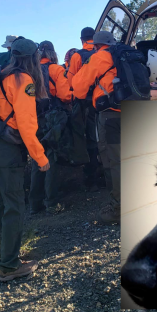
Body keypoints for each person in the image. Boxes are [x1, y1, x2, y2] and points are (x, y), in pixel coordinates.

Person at [0, 38, 49, 281]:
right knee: (14, 205)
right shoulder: (23, 80)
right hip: (7, 150)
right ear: (33, 58)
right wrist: (40, 157)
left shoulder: (1, 75)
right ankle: (9, 266)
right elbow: (26, 125)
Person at [71, 31, 121, 225]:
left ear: (97, 45)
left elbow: (79, 86)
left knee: (114, 160)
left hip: (110, 115)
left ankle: (118, 209)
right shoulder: (127, 54)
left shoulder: (98, 57)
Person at [30, 41, 71, 215]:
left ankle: (34, 204)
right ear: (52, 53)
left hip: (33, 119)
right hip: (51, 119)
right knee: (50, 157)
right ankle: (52, 202)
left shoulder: (29, 73)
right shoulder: (56, 70)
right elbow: (65, 95)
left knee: (36, 158)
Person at [67, 27, 101, 192]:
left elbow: (71, 82)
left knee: (88, 139)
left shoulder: (77, 56)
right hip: (104, 101)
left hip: (85, 103)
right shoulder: (101, 53)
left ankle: (91, 176)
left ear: (82, 40)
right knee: (104, 136)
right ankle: (106, 172)